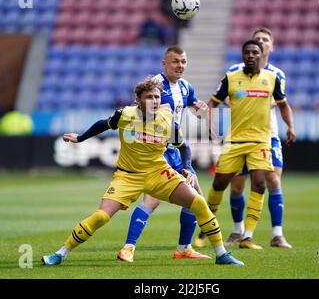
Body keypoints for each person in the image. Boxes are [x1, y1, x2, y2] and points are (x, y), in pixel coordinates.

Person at [41, 76, 243, 266]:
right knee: (101, 216)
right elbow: (104, 124)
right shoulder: (125, 115)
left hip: (158, 173)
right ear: (137, 99)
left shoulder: (166, 119)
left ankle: (221, 254)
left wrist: (188, 168)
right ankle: (60, 254)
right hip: (127, 176)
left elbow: (183, 146)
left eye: (157, 97)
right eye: (149, 97)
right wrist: (80, 138)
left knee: (198, 202)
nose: (154, 101)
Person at [195, 38, 296, 250]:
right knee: (219, 185)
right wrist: (211, 124)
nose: (250, 55)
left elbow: (283, 104)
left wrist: (290, 126)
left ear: (261, 56)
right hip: (234, 142)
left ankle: (247, 236)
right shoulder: (231, 78)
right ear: (242, 56)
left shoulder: (272, 78)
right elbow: (213, 101)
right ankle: (205, 227)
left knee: (260, 184)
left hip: (261, 141)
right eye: (247, 52)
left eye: (254, 52)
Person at [117, 46, 210, 263]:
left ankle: (184, 249)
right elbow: (136, 112)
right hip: (158, 151)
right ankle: (128, 247)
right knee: (152, 200)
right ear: (164, 63)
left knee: (196, 198)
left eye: (184, 61)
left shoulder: (186, 87)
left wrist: (201, 110)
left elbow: (195, 108)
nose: (180, 66)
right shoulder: (155, 86)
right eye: (175, 61)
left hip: (176, 150)